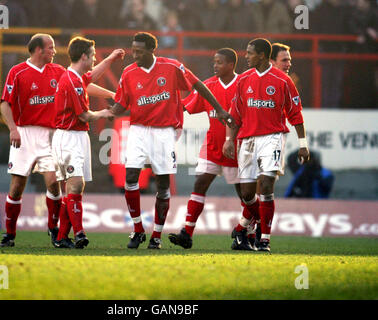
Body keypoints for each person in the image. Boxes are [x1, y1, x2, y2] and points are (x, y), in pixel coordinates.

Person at [109, 32, 235, 249]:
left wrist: (220, 109)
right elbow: (120, 104)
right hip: (138, 129)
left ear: (151, 50)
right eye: (133, 50)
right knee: (131, 176)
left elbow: (198, 85)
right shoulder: (128, 73)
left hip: (165, 131)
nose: (134, 54)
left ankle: (156, 236)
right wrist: (105, 112)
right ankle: (138, 229)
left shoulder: (172, 67)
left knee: (162, 183)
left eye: (139, 51)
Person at [0, 33, 115, 247]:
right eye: (50, 47)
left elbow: (82, 84)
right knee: (17, 186)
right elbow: (4, 104)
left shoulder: (59, 71)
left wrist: (110, 94)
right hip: (24, 133)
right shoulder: (17, 72)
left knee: (53, 184)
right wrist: (12, 128)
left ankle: (54, 230)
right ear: (38, 50)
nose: (54, 51)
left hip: (51, 134)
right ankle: (9, 234)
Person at [223, 38, 310, 252]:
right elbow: (236, 114)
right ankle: (246, 225)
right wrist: (229, 140)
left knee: (267, 187)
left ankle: (265, 239)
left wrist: (303, 143)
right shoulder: (243, 79)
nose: (246, 56)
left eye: (250, 53)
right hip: (248, 140)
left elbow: (296, 113)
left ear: (261, 55)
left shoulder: (282, 80)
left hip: (272, 138)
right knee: (247, 193)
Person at [168, 48, 259, 250]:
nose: (214, 65)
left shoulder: (243, 85)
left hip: (237, 148)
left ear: (230, 65)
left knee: (245, 195)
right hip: (212, 146)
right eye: (214, 62)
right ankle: (187, 233)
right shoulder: (208, 85)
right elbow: (185, 106)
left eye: (219, 62)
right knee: (199, 183)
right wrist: (165, 105)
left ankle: (248, 233)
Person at [52, 36, 124, 248]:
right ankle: (79, 233)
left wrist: (110, 58)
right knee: (75, 184)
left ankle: (62, 237)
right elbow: (84, 116)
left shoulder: (75, 77)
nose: (94, 59)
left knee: (74, 187)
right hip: (69, 136)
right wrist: (104, 112)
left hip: (76, 136)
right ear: (83, 56)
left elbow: (93, 75)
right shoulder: (72, 81)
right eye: (92, 55)